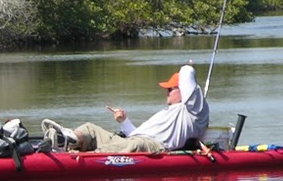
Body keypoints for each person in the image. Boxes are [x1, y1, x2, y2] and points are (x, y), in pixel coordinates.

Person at [58, 63, 210, 154]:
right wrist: (124, 122)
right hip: (136, 140)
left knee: (134, 144)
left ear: (183, 90)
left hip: (155, 147)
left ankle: (81, 156)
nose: (166, 92)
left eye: (170, 89)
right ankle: (66, 140)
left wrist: (189, 69)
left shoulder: (194, 111)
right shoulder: (166, 113)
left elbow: (187, 71)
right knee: (90, 129)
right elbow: (136, 134)